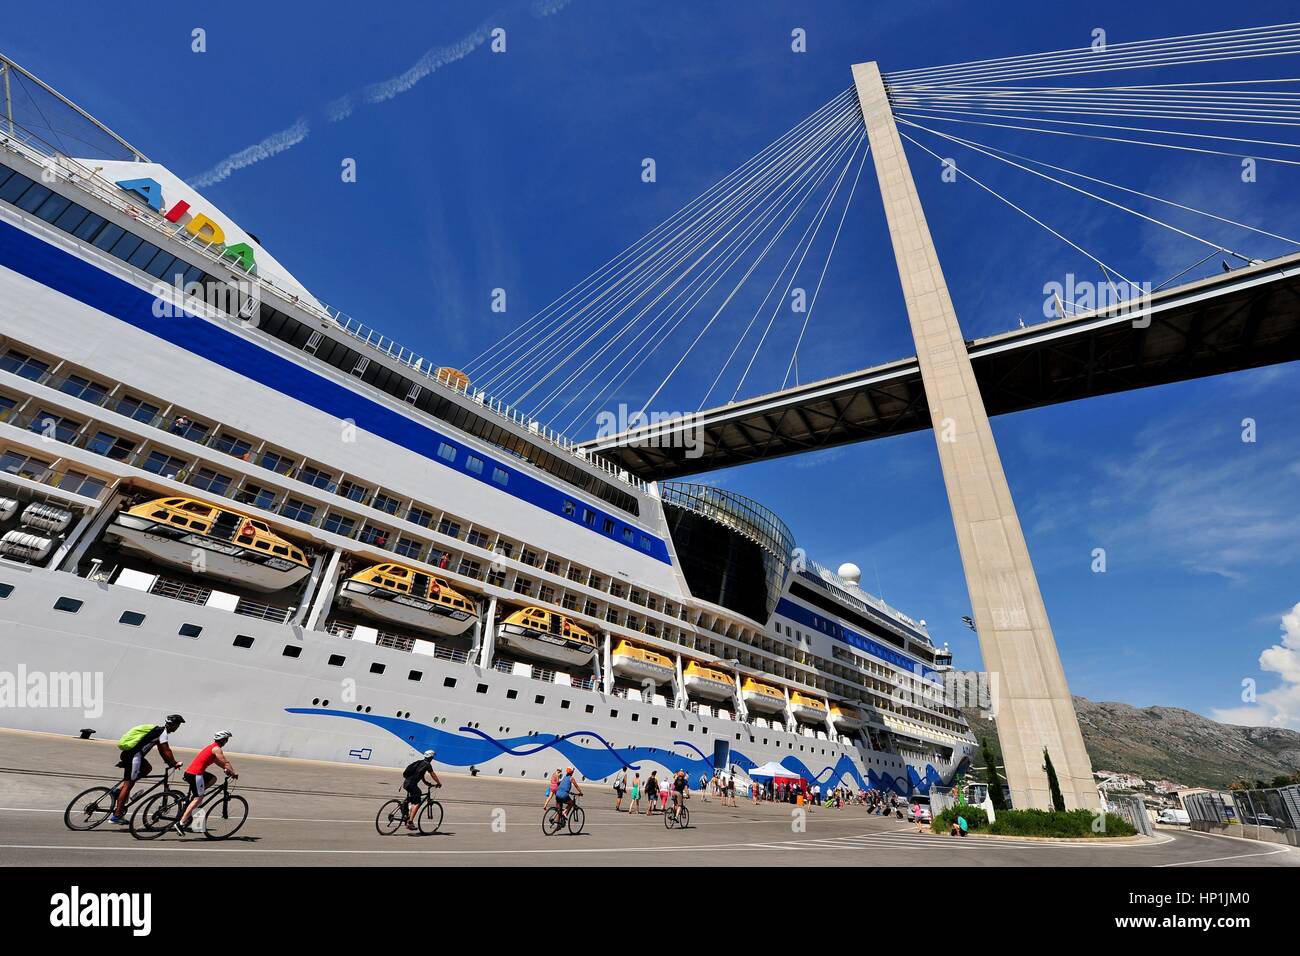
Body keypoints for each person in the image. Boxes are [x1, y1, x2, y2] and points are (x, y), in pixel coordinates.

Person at [110, 714, 184, 824]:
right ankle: (117, 815)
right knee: (128, 784)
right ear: (173, 725)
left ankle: (118, 791)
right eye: (178, 725)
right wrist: (174, 763)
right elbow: (166, 750)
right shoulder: (162, 733)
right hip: (134, 756)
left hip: (129, 754)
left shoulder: (157, 731)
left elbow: (161, 750)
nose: (178, 728)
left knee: (147, 768)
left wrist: (169, 762)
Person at [174, 731, 238, 835]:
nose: (226, 742)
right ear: (223, 740)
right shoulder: (217, 749)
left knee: (213, 779)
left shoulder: (211, 747)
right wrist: (233, 773)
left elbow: (218, 762)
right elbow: (226, 762)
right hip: (196, 774)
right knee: (199, 798)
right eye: (226, 740)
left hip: (191, 773)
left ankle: (194, 800)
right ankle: (180, 824)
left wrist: (226, 769)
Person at [401, 749, 441, 830]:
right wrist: (439, 783)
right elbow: (433, 774)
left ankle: (407, 815)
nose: (433, 758)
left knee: (414, 799)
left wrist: (425, 782)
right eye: (432, 757)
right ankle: (410, 822)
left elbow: (420, 774)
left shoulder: (420, 762)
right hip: (412, 785)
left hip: (406, 783)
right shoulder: (427, 765)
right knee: (417, 801)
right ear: (430, 757)